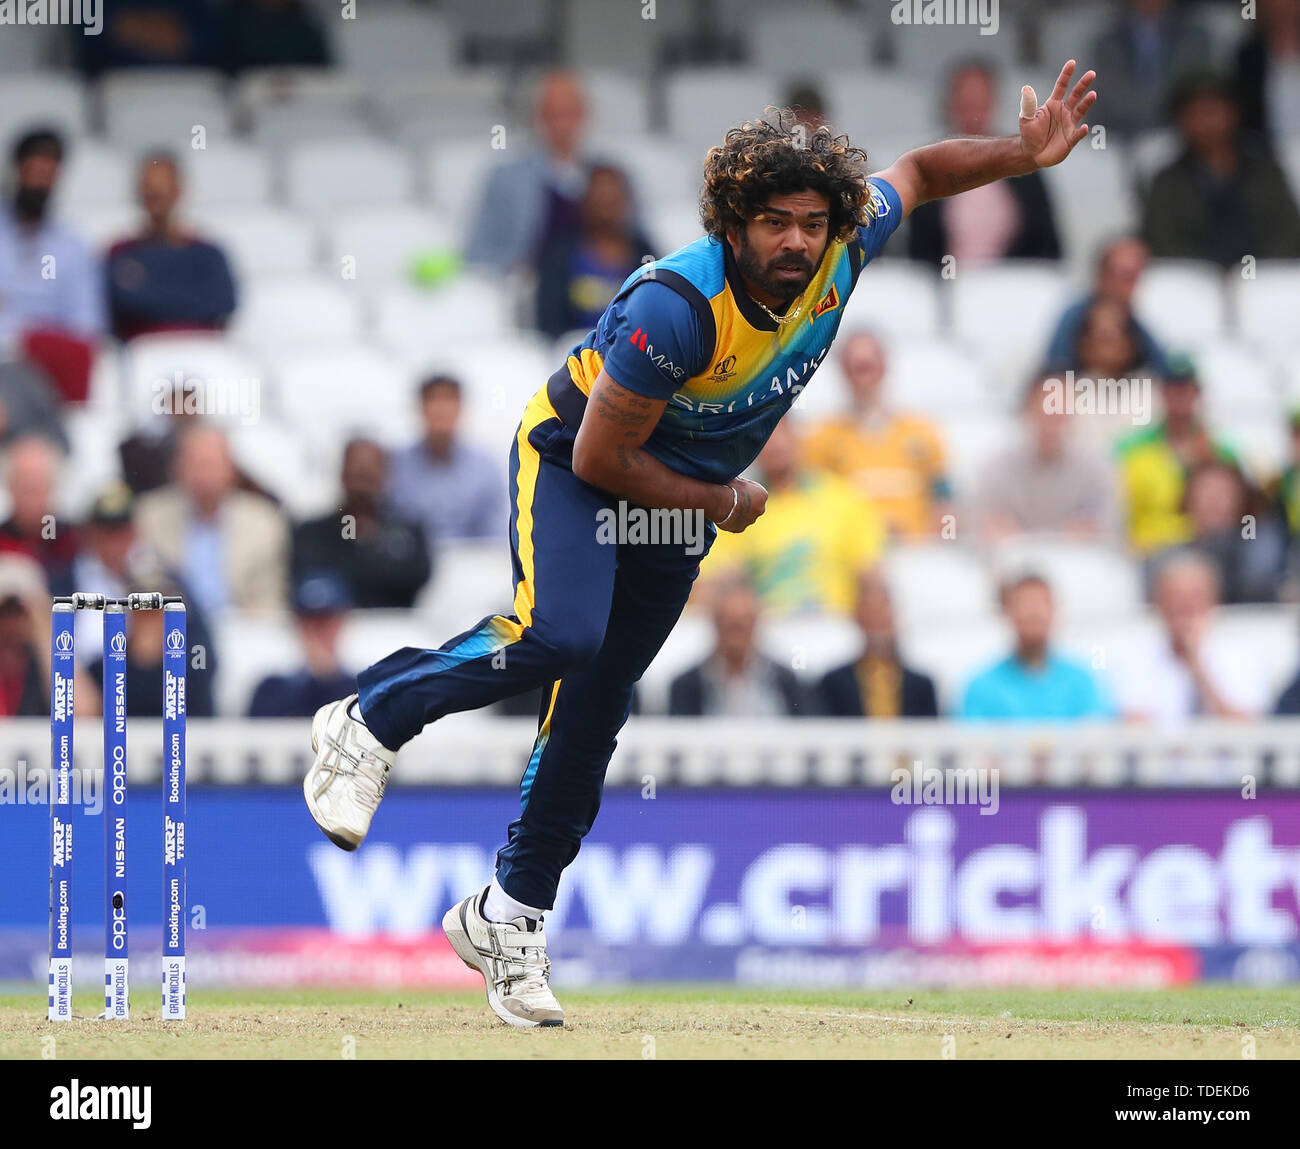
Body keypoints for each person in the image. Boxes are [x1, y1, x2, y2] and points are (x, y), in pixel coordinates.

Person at [301, 63, 1099, 1028]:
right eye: (774, 223)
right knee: (562, 637)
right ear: (733, 225)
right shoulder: (675, 306)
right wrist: (718, 497)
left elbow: (922, 172)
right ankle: (371, 715)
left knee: (598, 707)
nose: (797, 241)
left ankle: (508, 912)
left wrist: (1021, 153)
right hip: (576, 464)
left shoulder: (844, 246)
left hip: (682, 495)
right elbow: (602, 453)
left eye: (811, 220)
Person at [705, 417, 885, 616]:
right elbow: (720, 578)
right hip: (766, 631)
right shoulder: (738, 505)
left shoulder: (843, 497)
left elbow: (870, 573)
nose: (774, 444)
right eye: (764, 437)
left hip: (836, 626)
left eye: (781, 432)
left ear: (797, 437)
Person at [465, 71, 639, 273]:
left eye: (570, 114)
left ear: (585, 115)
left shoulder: (612, 176)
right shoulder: (505, 179)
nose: (562, 125)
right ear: (535, 118)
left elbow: (638, 243)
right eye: (552, 115)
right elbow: (478, 253)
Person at [907, 61, 1061, 268]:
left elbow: (1048, 246)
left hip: (1013, 288)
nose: (973, 115)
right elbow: (918, 250)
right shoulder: (929, 166)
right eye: (966, 105)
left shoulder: (1025, 166)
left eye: (980, 104)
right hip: (945, 288)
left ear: (994, 104)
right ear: (950, 105)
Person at [801, 330, 951, 542]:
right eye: (857, 369)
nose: (865, 378)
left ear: (885, 366)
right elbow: (813, 505)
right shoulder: (821, 438)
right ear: (843, 372)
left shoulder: (923, 430)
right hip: (852, 556)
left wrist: (937, 544)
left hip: (917, 551)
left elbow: (944, 500)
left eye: (870, 367)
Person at [1141, 73, 1300, 266]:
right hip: (1193, 284)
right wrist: (1211, 274)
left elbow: (1288, 232)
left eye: (1211, 112)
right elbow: (1161, 241)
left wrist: (1252, 272)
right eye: (1193, 114)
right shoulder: (1167, 180)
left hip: (1265, 282)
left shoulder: (1266, 171)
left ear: (1233, 114)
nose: (1204, 123)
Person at [135, 421, 289, 614]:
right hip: (172, 625)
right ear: (177, 467)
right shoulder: (149, 515)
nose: (203, 475)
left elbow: (269, 599)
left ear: (231, 469)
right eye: (195, 464)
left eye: (211, 464)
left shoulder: (264, 521)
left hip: (244, 627)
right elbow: (145, 583)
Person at [0, 129, 103, 402]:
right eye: (34, 173)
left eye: (48, 176)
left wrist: (32, 341)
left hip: (46, 373)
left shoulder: (72, 246)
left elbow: (85, 327)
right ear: (17, 170)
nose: (40, 185)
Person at [1110, 551, 1268, 722]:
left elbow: (1246, 730)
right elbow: (1131, 728)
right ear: (1159, 603)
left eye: (1196, 596)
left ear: (1214, 601)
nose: (1186, 607)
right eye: (1176, 597)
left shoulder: (1241, 656)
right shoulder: (1131, 657)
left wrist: (1198, 667)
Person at [106, 153, 238, 342]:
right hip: (142, 357)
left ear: (178, 191)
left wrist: (148, 302)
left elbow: (223, 303)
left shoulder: (209, 254)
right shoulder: (120, 253)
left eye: (162, 188)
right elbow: (118, 306)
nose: (155, 194)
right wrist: (189, 300)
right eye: (149, 187)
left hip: (201, 353)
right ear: (139, 192)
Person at [974, 370, 1118, 542]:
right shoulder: (996, 468)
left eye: (1062, 406)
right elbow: (983, 524)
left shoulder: (1097, 469)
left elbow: (1106, 528)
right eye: (1047, 405)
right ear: (1028, 408)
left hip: (1078, 563)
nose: (1054, 414)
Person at [1116, 355, 1239, 554]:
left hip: (1211, 552)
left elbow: (1237, 516)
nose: (1179, 397)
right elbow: (1123, 514)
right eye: (1173, 388)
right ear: (1162, 393)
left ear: (1197, 394)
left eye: (1186, 389)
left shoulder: (1222, 453)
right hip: (1150, 551)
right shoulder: (1131, 451)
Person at [293, 438, 430, 609]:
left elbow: (415, 578)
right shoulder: (311, 533)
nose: (362, 488)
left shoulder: (408, 532)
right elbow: (313, 580)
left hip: (395, 630)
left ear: (385, 477)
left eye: (369, 477)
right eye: (356, 475)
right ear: (342, 475)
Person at [960, 573, 1112, 721]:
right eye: (1024, 604)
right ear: (1007, 613)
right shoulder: (982, 686)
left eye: (1042, 603)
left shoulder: (1083, 682)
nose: (1034, 613)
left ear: (1055, 611)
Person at [534, 165, 655, 340]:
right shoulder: (560, 253)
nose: (605, 209)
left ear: (626, 203)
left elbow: (655, 312)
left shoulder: (644, 253)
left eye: (612, 200)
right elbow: (548, 320)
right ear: (584, 203)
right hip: (572, 353)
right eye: (599, 199)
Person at [385, 375, 505, 545]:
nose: (441, 409)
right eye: (433, 400)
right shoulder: (395, 465)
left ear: (460, 407)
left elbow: (495, 535)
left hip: (473, 564)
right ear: (420, 408)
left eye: (449, 400)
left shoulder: (487, 467)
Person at [668, 579, 806, 717]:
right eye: (731, 626)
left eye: (743, 625)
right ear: (716, 625)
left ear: (755, 624)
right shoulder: (687, 686)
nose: (736, 638)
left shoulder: (786, 680)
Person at [817, 569, 938, 718]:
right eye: (871, 617)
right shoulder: (833, 683)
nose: (877, 624)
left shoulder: (921, 685)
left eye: (882, 616)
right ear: (858, 618)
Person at [1162, 460, 1286, 605]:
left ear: (1241, 499)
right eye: (1205, 492)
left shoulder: (1255, 539)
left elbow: (1257, 573)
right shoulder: (1172, 555)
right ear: (1188, 500)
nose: (1213, 501)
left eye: (1223, 492)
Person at [1043, 237, 1167, 374]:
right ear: (1102, 275)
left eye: (1133, 278)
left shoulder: (1135, 325)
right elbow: (1055, 370)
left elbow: (1165, 369)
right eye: (1124, 276)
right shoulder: (1074, 318)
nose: (1126, 287)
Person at [1091, 0, 1211, 139]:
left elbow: (1191, 90)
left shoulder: (1195, 37)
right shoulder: (1107, 41)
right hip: (1119, 135)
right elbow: (1110, 96)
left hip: (1178, 134)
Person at [248, 573, 356, 718]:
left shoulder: (362, 692)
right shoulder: (270, 691)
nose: (318, 633)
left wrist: (326, 674)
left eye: (326, 622)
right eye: (309, 624)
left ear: (341, 623)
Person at [0, 436, 78, 596]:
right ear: (10, 487)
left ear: (52, 487)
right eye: (25, 486)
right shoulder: (2, 540)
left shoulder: (72, 541)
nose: (31, 498)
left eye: (38, 487)